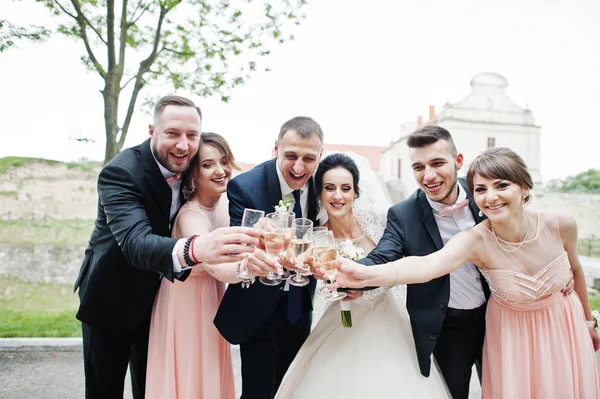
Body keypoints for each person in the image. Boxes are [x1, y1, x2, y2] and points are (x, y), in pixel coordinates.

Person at [333, 146, 600, 399]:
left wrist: (588, 324)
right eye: (481, 189)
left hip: (564, 328)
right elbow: (426, 266)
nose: (491, 197)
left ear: (525, 187)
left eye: (502, 185)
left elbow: (575, 269)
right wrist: (362, 273)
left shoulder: (561, 224)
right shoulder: (475, 241)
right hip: (512, 337)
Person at [73, 96, 259, 399]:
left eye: (191, 135)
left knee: (154, 387)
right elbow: (135, 243)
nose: (183, 145)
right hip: (113, 297)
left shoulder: (191, 164)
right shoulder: (121, 173)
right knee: (104, 390)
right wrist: (198, 248)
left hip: (162, 302)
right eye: (173, 133)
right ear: (152, 130)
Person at [275, 153, 450, 398]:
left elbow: (397, 261)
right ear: (319, 193)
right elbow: (307, 273)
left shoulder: (380, 221)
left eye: (345, 188)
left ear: (356, 192)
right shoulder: (315, 239)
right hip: (342, 320)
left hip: (390, 321)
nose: (338, 196)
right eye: (329, 188)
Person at [351, 125, 489, 399]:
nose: (429, 176)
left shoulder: (485, 194)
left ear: (458, 161)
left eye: (437, 163)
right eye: (419, 167)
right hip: (446, 328)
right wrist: (351, 274)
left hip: (498, 318)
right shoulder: (403, 215)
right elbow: (381, 256)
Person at [145, 133, 271, 398]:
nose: (220, 170)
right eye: (207, 165)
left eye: (223, 161)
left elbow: (239, 243)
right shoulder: (191, 214)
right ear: (193, 174)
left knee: (210, 370)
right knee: (191, 374)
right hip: (186, 304)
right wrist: (247, 269)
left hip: (214, 298)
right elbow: (214, 266)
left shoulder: (227, 204)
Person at [214, 116, 323, 398]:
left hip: (299, 305)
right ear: (275, 149)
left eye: (309, 159)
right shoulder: (245, 187)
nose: (299, 167)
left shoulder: (322, 186)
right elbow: (241, 248)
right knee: (258, 391)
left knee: (292, 388)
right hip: (258, 306)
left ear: (319, 156)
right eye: (291, 156)